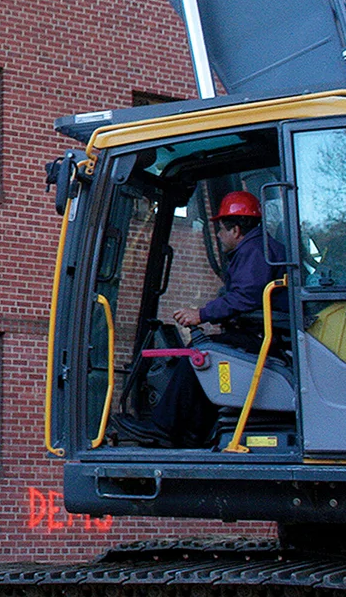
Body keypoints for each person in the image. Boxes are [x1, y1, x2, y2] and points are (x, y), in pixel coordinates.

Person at [121, 190, 285, 448]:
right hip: (266, 333)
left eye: (221, 229)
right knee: (205, 352)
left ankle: (163, 428)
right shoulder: (261, 248)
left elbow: (246, 297)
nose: (219, 236)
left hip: (262, 338)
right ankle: (191, 434)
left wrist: (201, 314)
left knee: (199, 356)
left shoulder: (254, 251)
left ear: (236, 230)